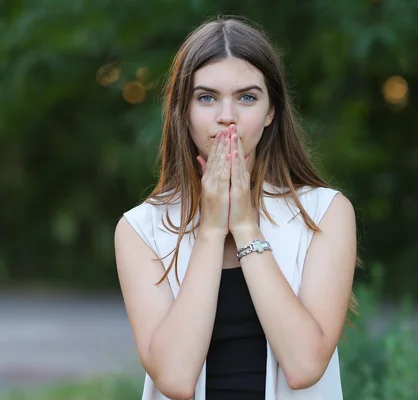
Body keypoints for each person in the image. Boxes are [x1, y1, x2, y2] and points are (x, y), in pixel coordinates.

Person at [114, 15, 358, 400]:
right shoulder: (142, 228)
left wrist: (245, 225)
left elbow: (305, 366)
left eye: (247, 97)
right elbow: (175, 379)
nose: (226, 116)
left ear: (270, 112)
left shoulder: (326, 212)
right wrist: (211, 230)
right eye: (207, 97)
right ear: (183, 110)